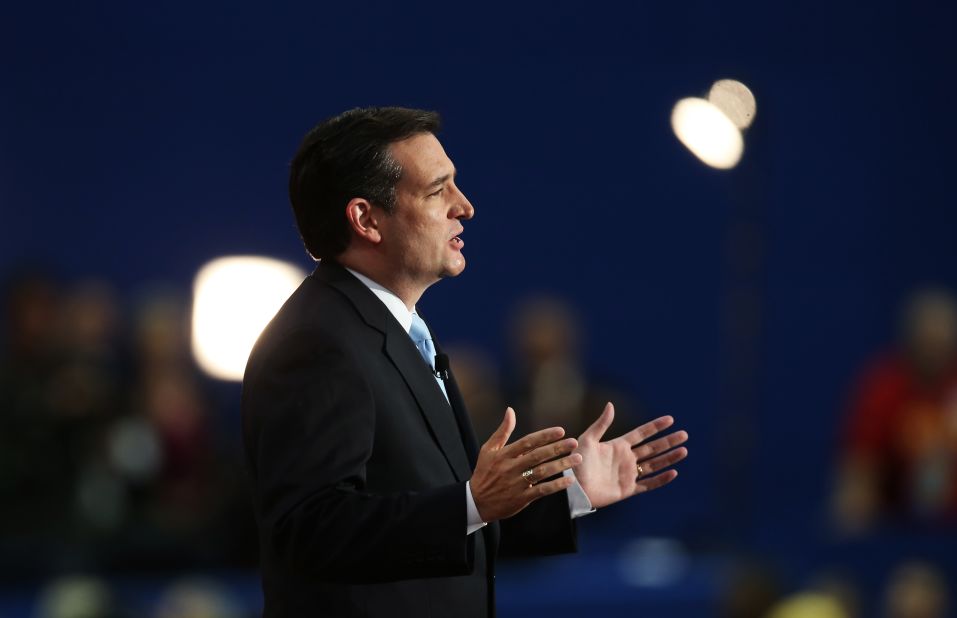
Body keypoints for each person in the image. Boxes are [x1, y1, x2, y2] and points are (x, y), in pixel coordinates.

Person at [241, 107, 689, 617]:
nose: (466, 207)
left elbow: (456, 532)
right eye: (437, 191)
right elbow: (310, 533)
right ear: (367, 219)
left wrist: (571, 494)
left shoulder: (394, 330)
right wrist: (471, 502)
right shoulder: (316, 342)